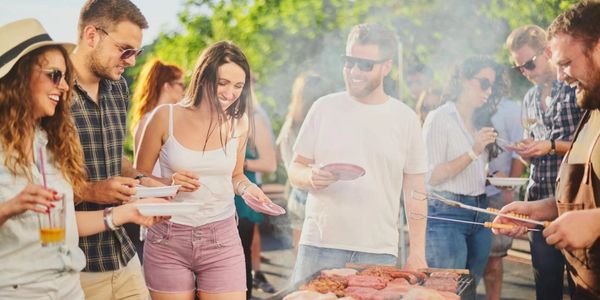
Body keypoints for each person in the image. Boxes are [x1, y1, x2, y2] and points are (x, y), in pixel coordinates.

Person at [0, 18, 165, 299]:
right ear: (20, 75)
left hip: (68, 289)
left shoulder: (48, 145)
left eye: (65, 77)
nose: (64, 87)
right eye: (55, 75)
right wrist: (9, 208)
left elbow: (63, 224)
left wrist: (125, 213)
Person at [288, 23, 428, 284]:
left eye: (365, 65)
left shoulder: (405, 118)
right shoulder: (323, 108)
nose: (354, 71)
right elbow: (295, 168)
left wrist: (418, 252)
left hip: (377, 250)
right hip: (319, 244)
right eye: (349, 62)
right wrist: (309, 176)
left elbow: (416, 190)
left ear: (386, 66)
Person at [136, 40, 275, 300]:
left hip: (221, 236)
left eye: (238, 86)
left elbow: (235, 175)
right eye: (222, 83)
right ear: (203, 76)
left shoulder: (239, 123)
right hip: (168, 237)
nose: (230, 93)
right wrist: (168, 181)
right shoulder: (164, 117)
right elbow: (137, 178)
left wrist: (249, 190)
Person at [495, 2, 600, 298]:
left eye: (566, 63)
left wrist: (594, 221)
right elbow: (587, 195)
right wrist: (537, 209)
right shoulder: (592, 109)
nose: (562, 75)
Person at [68, 1, 163, 299]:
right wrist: (91, 191)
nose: (131, 61)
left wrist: (140, 179)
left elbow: (109, 154)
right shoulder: (52, 93)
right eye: (125, 50)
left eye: (136, 52)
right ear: (92, 35)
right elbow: (36, 183)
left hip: (123, 255)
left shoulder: (118, 86)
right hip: (75, 265)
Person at [504, 24, 583, 299]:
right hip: (539, 202)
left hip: (575, 204)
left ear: (547, 51)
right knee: (545, 288)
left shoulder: (577, 86)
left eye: (529, 63)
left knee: (581, 287)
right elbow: (534, 144)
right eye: (519, 69)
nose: (525, 72)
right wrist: (527, 150)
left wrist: (549, 146)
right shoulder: (529, 97)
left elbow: (589, 147)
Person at [422, 56, 501, 283]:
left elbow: (472, 171)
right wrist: (474, 150)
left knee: (469, 289)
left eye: (491, 86)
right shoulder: (440, 118)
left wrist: (492, 176)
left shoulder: (480, 120)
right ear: (464, 80)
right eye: (484, 83)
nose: (488, 91)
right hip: (447, 213)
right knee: (445, 290)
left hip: (480, 210)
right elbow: (433, 176)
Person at [127, 58, 186, 260]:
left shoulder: (165, 119)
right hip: (161, 210)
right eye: (181, 85)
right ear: (167, 86)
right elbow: (140, 172)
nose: (185, 91)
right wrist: (171, 185)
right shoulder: (151, 121)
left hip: (169, 206)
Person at [276, 71, 334, 256]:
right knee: (323, 258)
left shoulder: (290, 123)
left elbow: (280, 154)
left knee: (301, 256)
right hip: (315, 196)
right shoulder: (317, 124)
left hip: (296, 195)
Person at [480, 80, 526, 299]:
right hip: (473, 192)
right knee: (476, 257)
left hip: (498, 195)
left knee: (494, 257)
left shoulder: (511, 110)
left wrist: (509, 188)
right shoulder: (475, 108)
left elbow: (518, 152)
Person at [235, 93, 277, 299]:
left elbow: (269, 164)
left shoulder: (254, 119)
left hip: (242, 201)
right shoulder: (206, 118)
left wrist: (237, 165)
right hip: (212, 202)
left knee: (241, 259)